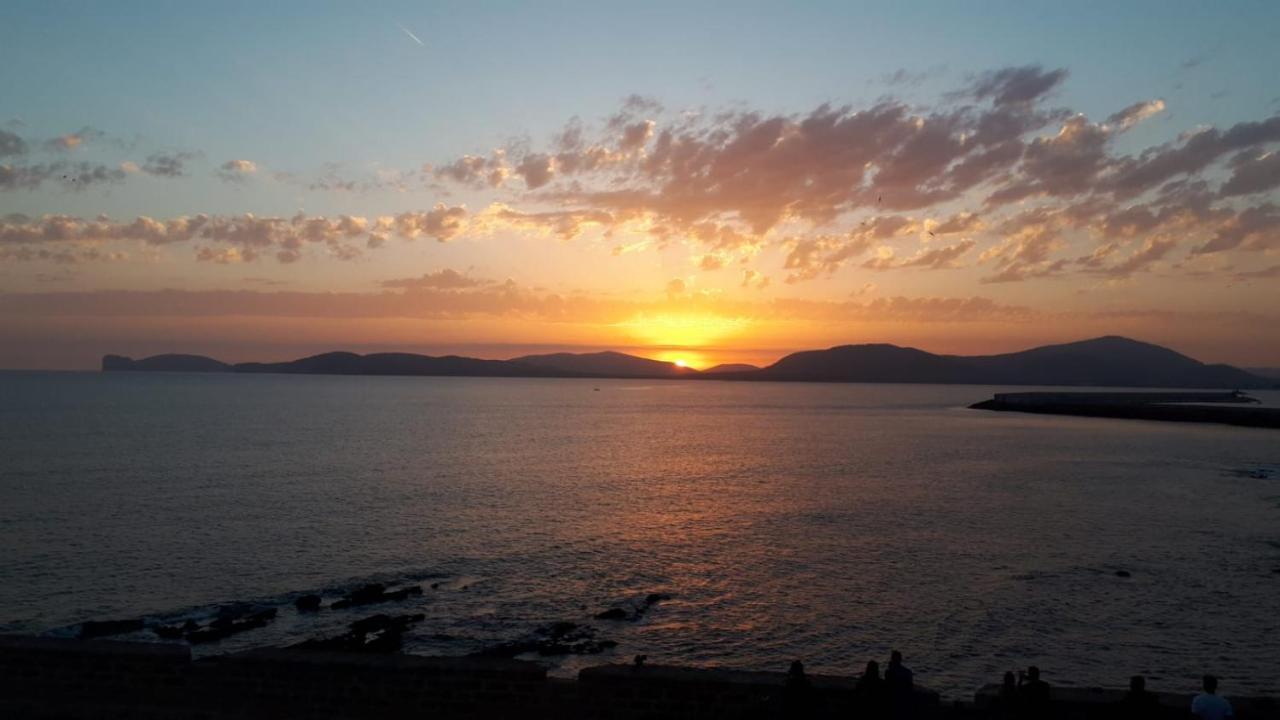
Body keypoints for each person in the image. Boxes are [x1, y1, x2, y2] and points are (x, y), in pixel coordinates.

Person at [885, 650, 914, 718]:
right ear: (900, 659)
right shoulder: (907, 672)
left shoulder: (889, 672)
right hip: (903, 700)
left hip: (893, 700)